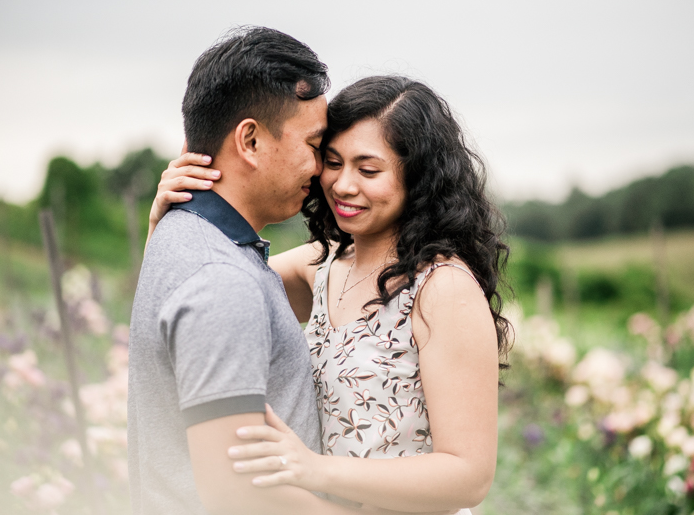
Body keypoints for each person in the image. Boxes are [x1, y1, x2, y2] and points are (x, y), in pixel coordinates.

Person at [149, 75, 512, 513]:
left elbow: (468, 475)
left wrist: (313, 469)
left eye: (369, 169)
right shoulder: (318, 267)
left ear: (418, 178)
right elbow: (203, 292)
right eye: (333, 162)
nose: (342, 185)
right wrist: (170, 224)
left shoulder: (443, 288)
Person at [129, 26, 391, 515]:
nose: (321, 170)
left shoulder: (178, 237)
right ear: (249, 139)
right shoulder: (220, 277)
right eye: (315, 144)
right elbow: (237, 493)